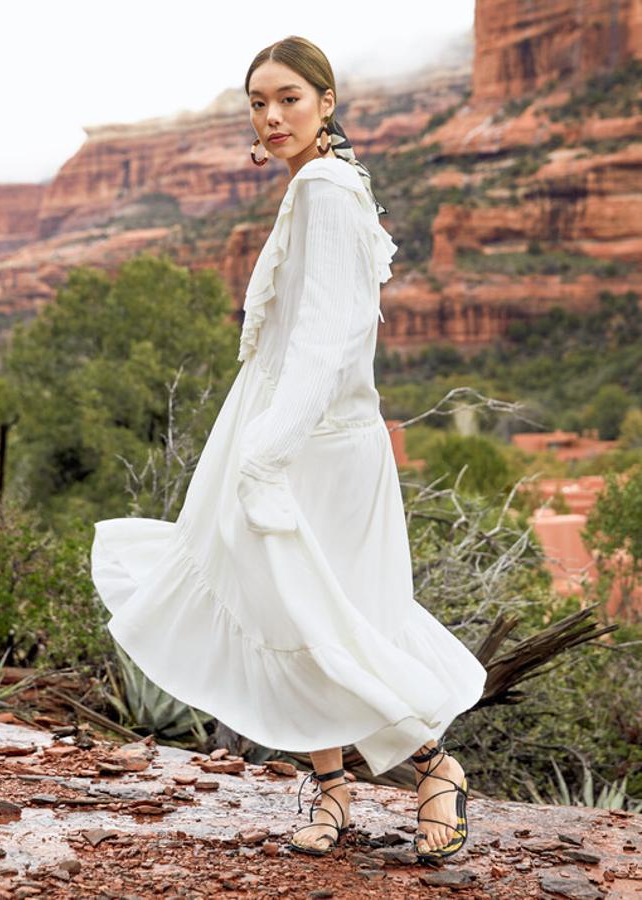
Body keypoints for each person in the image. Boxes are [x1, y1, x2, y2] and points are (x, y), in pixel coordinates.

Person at [90, 35, 488, 863]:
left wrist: (266, 452)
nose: (271, 117)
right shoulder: (320, 184)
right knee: (287, 609)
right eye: (257, 103)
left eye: (288, 100)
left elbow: (327, 338)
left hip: (311, 444)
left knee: (320, 616)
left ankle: (434, 769)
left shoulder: (328, 188)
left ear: (326, 103)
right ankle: (334, 788)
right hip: (286, 428)